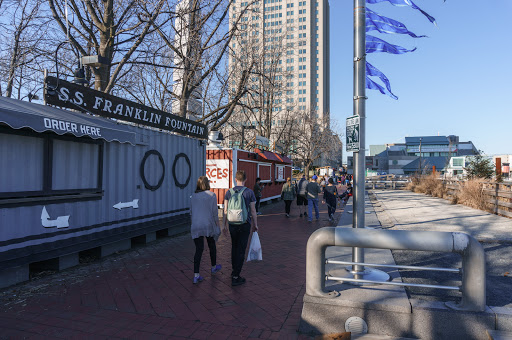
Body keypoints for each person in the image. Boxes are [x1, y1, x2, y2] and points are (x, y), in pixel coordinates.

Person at [223, 170, 258, 286]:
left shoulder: (229, 192)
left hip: (232, 224)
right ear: (246, 179)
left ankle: (234, 271)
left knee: (234, 247)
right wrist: (255, 224)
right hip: (244, 224)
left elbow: (225, 210)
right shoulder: (249, 192)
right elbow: (253, 211)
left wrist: (224, 225)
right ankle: (236, 276)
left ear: (235, 179)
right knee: (241, 249)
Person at [190, 176, 225, 284]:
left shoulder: (193, 196)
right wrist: (217, 225)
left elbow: (191, 212)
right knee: (211, 245)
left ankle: (196, 275)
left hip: (196, 225)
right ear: (207, 184)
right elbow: (215, 213)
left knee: (199, 249)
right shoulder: (212, 195)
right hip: (208, 224)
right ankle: (213, 266)